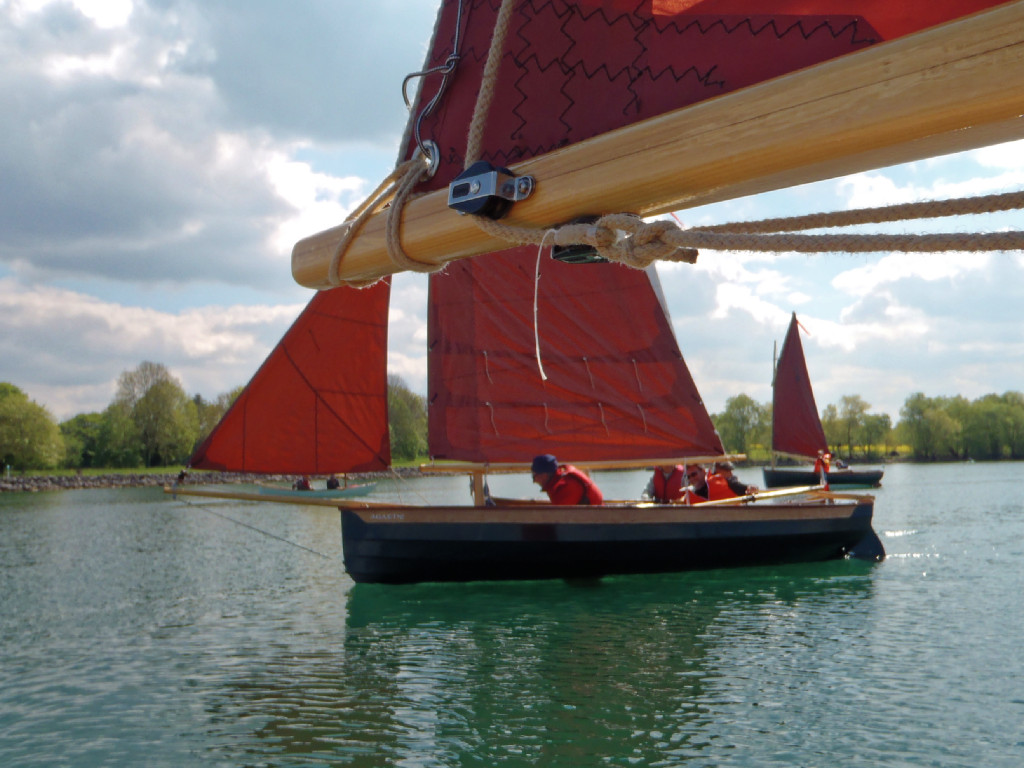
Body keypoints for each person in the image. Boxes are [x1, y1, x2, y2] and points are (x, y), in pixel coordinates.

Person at [531, 454, 604, 506]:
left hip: (595, 524)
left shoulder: (567, 486)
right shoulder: (558, 483)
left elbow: (559, 518)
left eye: (534, 476)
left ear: (544, 476)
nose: (534, 481)